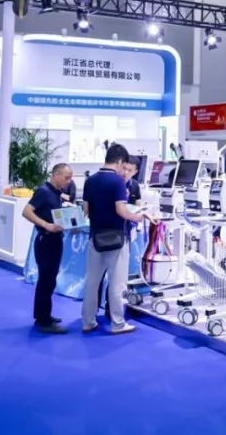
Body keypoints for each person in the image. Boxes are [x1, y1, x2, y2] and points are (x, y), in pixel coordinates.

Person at [82, 143, 151, 335]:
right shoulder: (118, 182)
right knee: (117, 283)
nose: (124, 170)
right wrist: (137, 217)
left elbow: (86, 210)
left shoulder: (90, 180)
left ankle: (88, 321)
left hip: (95, 237)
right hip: (117, 238)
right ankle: (118, 323)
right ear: (119, 161)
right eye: (124, 165)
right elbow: (121, 210)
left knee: (92, 282)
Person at [22, 163, 73, 334]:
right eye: (66, 177)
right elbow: (27, 211)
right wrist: (46, 225)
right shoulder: (43, 192)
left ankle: (43, 315)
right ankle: (43, 320)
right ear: (56, 174)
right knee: (46, 280)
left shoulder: (56, 193)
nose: (69, 181)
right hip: (46, 240)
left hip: (54, 240)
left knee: (49, 280)